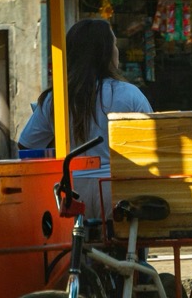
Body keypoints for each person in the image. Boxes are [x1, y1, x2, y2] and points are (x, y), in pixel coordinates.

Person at [17, 18, 151, 218]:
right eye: (114, 44)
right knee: (120, 237)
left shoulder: (55, 98)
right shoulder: (130, 94)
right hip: (118, 190)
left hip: (71, 190)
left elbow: (27, 146)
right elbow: (151, 143)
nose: (117, 50)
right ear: (106, 53)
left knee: (76, 239)